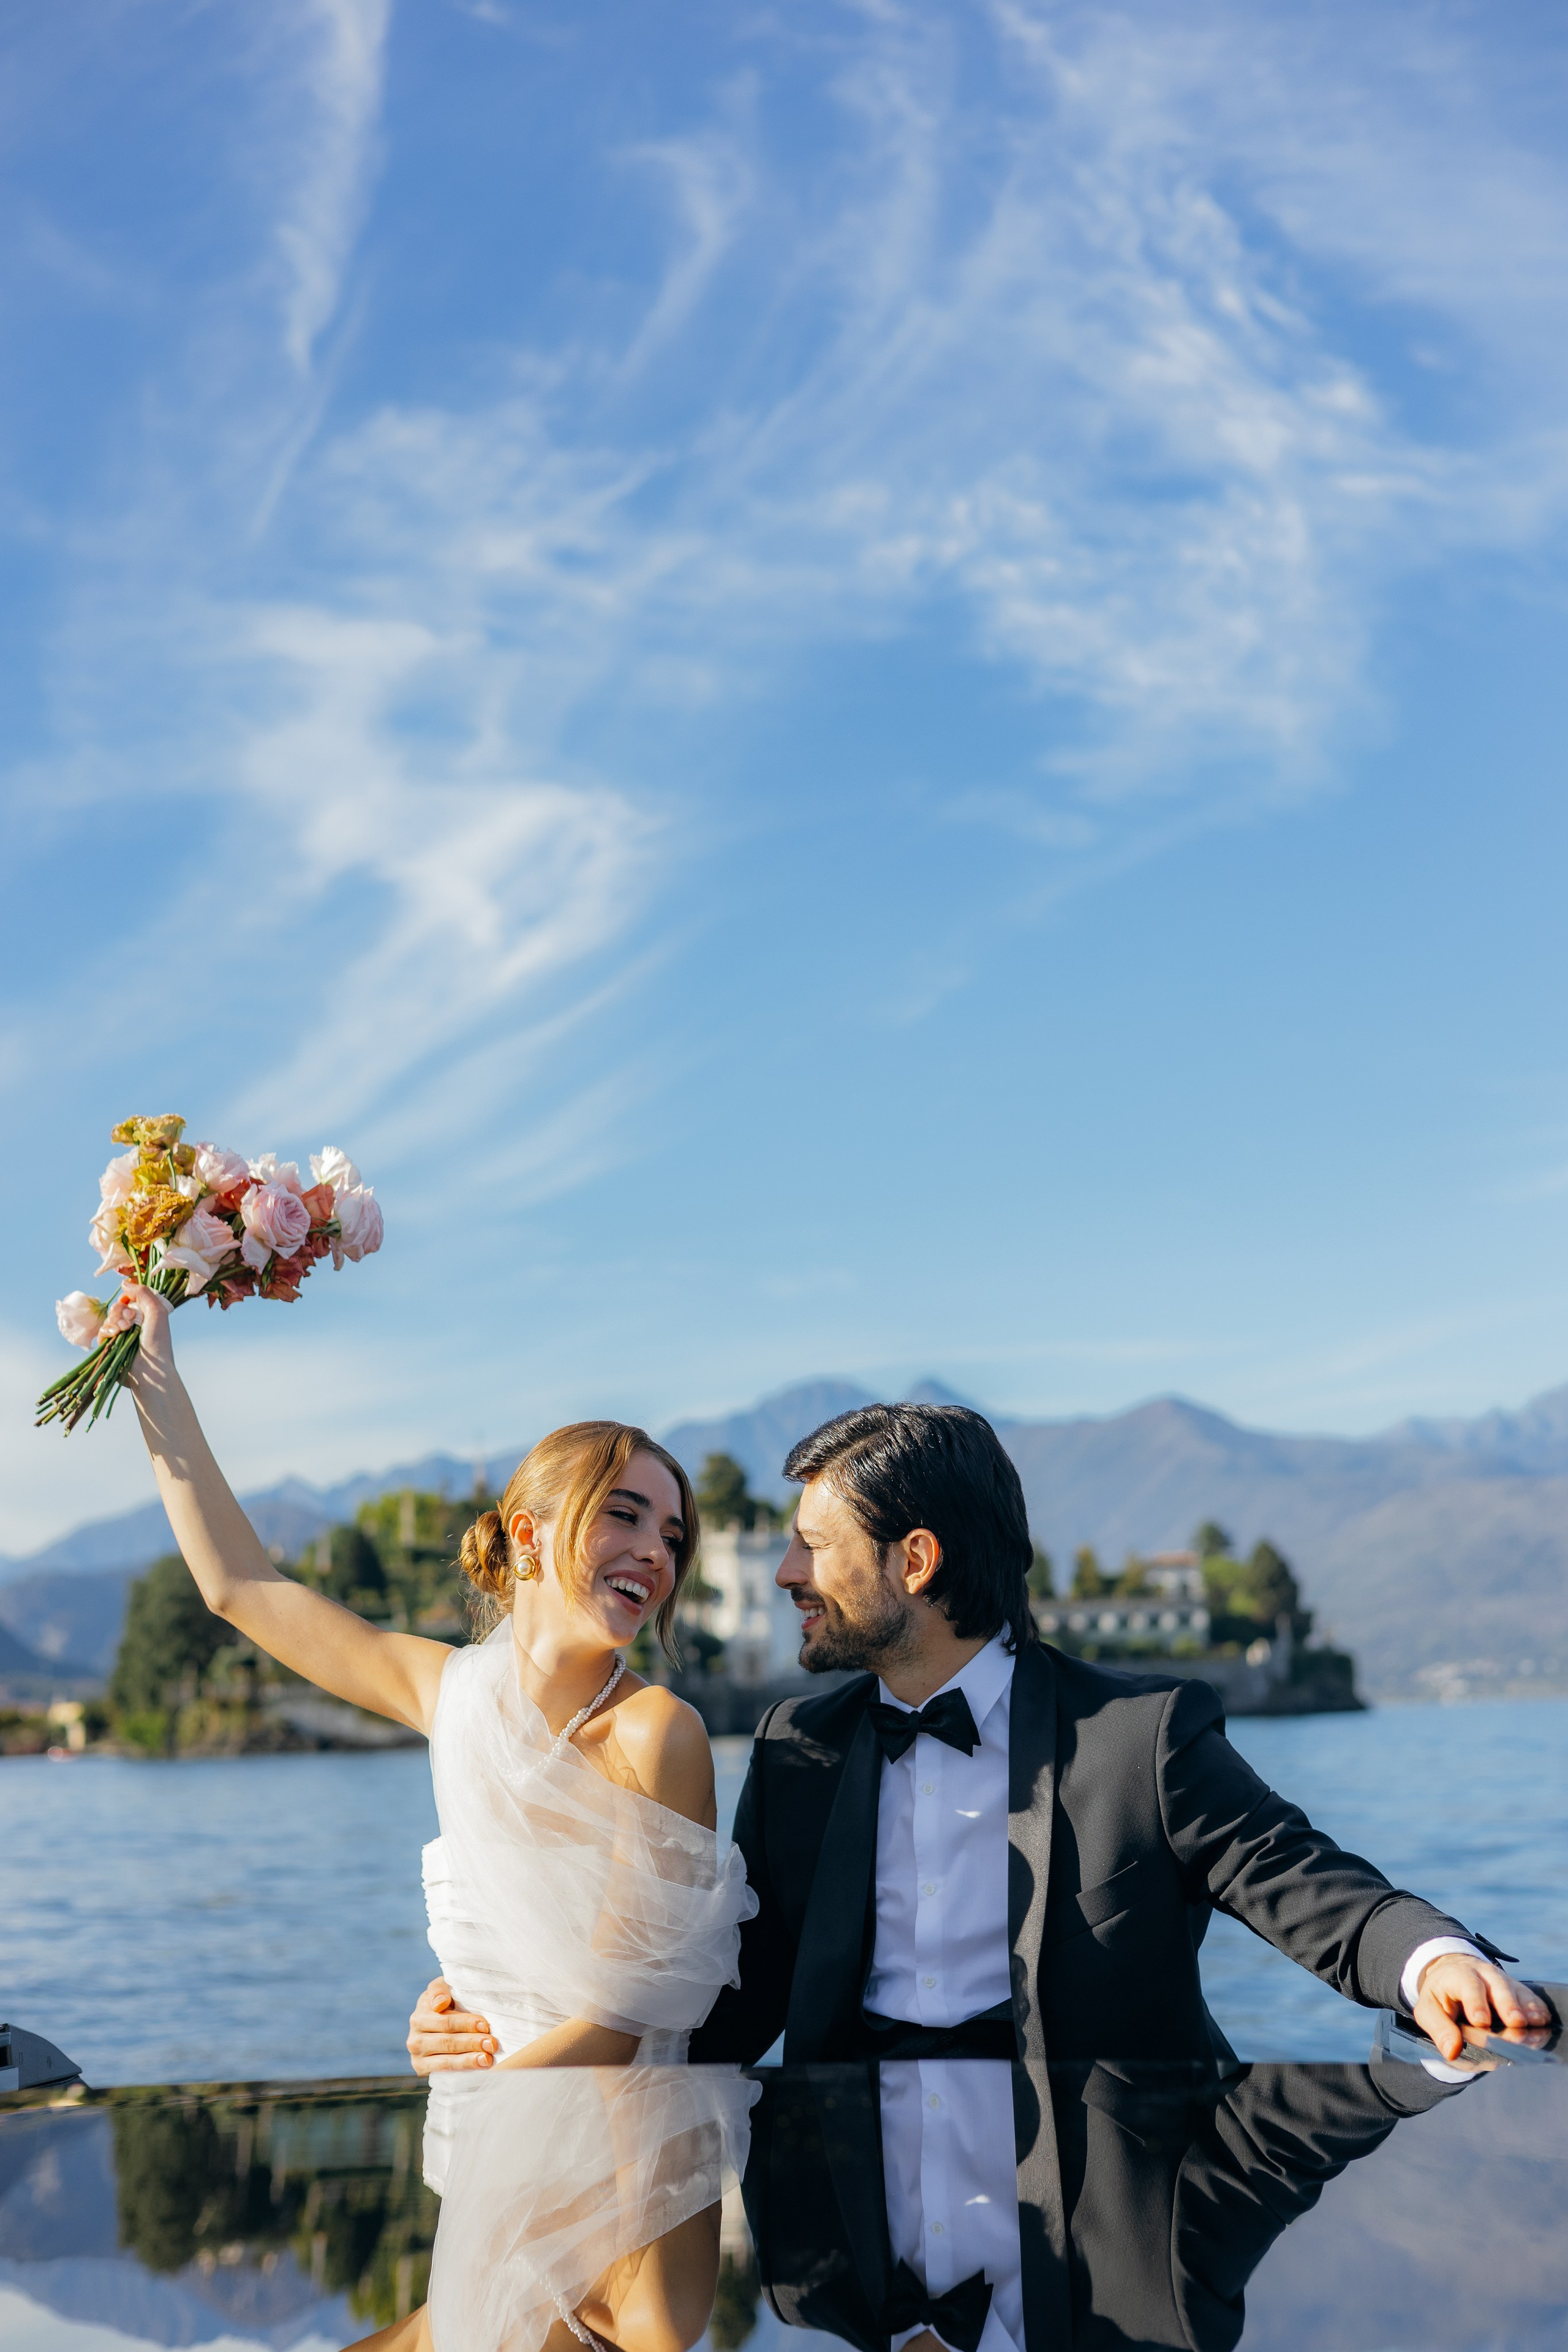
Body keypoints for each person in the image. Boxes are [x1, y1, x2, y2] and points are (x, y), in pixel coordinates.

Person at [409, 1401, 1548, 2081]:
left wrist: (1433, 1959)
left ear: (915, 1563)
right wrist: (502, 2015)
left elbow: (1303, 1880)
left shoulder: (1139, 1737)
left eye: (813, 1547)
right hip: (858, 2252)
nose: (786, 1573)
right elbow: (722, 1998)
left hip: (1111, 2221)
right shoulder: (797, 1749)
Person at [119, 1283, 756, 2195]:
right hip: (475, 2139)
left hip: (620, 2171)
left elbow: (622, 2021)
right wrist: (152, 1371)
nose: (657, 1550)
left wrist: (478, 2105)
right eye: (624, 1514)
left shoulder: (659, 1732)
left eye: (673, 1533)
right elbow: (239, 1586)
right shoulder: (449, 1692)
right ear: (529, 1538)